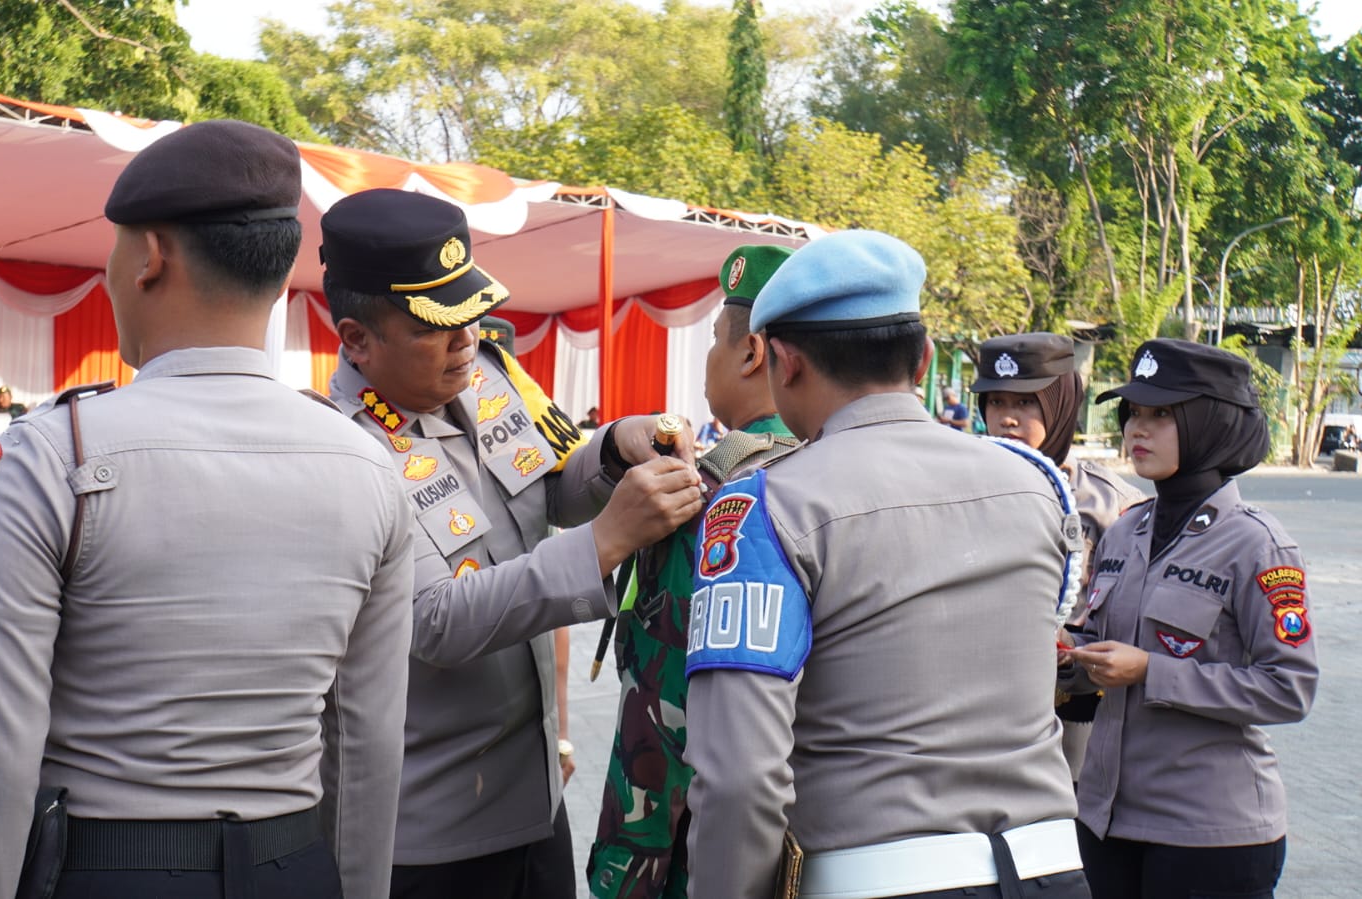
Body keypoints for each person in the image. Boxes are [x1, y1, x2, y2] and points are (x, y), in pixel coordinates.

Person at [0, 120, 415, 899]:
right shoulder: (369, 466)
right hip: (294, 867)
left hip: (106, 870)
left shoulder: (56, 457)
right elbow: (367, 741)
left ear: (149, 257)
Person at [320, 187, 705, 899]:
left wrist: (621, 445)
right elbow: (434, 619)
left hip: (534, 800)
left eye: (471, 315)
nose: (466, 338)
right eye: (436, 326)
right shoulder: (342, 448)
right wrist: (605, 542)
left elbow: (555, 483)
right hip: (427, 828)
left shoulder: (489, 377)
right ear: (356, 338)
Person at [683, 230, 1089, 899]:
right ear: (924, 359)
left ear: (782, 361)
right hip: (1051, 869)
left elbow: (740, 776)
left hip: (879, 880)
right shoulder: (1033, 484)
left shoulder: (765, 506)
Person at [1060, 338, 1318, 899]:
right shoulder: (1127, 531)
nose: (1136, 430)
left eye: (1161, 415)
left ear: (1210, 424)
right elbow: (1103, 651)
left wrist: (1151, 670)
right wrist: (1068, 654)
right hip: (1107, 821)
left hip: (1208, 835)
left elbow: (1289, 689)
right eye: (1133, 413)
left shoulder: (1258, 545)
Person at [588, 244, 800, 899]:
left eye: (715, 339)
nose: (709, 357)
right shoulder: (830, 476)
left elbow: (662, 710)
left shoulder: (712, 499)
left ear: (751, 353)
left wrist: (628, 876)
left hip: (697, 858)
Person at [971, 332, 1145, 784]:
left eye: (1026, 404)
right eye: (996, 403)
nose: (1008, 419)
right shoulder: (958, 488)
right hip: (978, 712)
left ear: (1061, 405)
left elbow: (1131, 620)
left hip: (1075, 718)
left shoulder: (1110, 504)